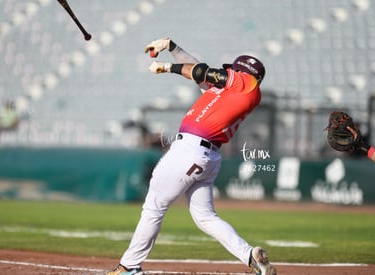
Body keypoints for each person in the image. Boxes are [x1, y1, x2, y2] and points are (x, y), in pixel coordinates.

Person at [108, 37, 277, 275]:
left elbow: (206, 72)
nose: (230, 72)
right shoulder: (227, 92)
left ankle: (129, 266)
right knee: (205, 216)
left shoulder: (245, 84)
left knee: (154, 206)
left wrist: (167, 67)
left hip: (189, 150)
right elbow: (198, 71)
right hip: (206, 155)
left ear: (244, 73)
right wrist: (171, 47)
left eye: (234, 71)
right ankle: (249, 255)